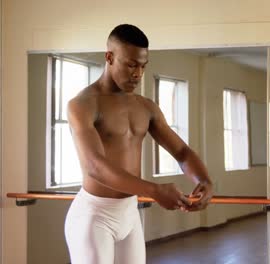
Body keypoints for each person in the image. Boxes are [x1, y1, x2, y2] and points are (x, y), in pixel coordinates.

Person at [64, 24, 213, 264]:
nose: (138, 74)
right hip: (94, 216)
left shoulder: (146, 107)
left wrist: (204, 181)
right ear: (109, 57)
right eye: (131, 65)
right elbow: (94, 166)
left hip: (129, 214)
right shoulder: (83, 104)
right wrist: (154, 190)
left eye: (143, 66)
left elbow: (182, 152)